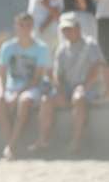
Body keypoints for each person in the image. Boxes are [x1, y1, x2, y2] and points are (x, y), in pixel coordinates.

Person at [34, 12, 104, 154]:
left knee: (79, 98)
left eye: (69, 29)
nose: (67, 32)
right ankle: (43, 140)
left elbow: (97, 68)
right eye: (64, 30)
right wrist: (59, 89)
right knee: (46, 99)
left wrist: (83, 87)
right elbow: (57, 74)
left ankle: (76, 141)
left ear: (78, 28)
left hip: (88, 88)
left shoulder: (90, 45)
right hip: (67, 89)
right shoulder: (61, 49)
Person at [0, 13, 51, 161]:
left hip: (32, 88)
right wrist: (1, 91)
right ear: (16, 27)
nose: (25, 29)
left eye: (28, 25)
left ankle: (11, 145)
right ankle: (10, 144)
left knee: (24, 101)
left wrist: (18, 93)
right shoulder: (7, 47)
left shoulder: (41, 48)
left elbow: (37, 78)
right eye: (21, 25)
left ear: (32, 27)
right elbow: (0, 75)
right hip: (11, 88)